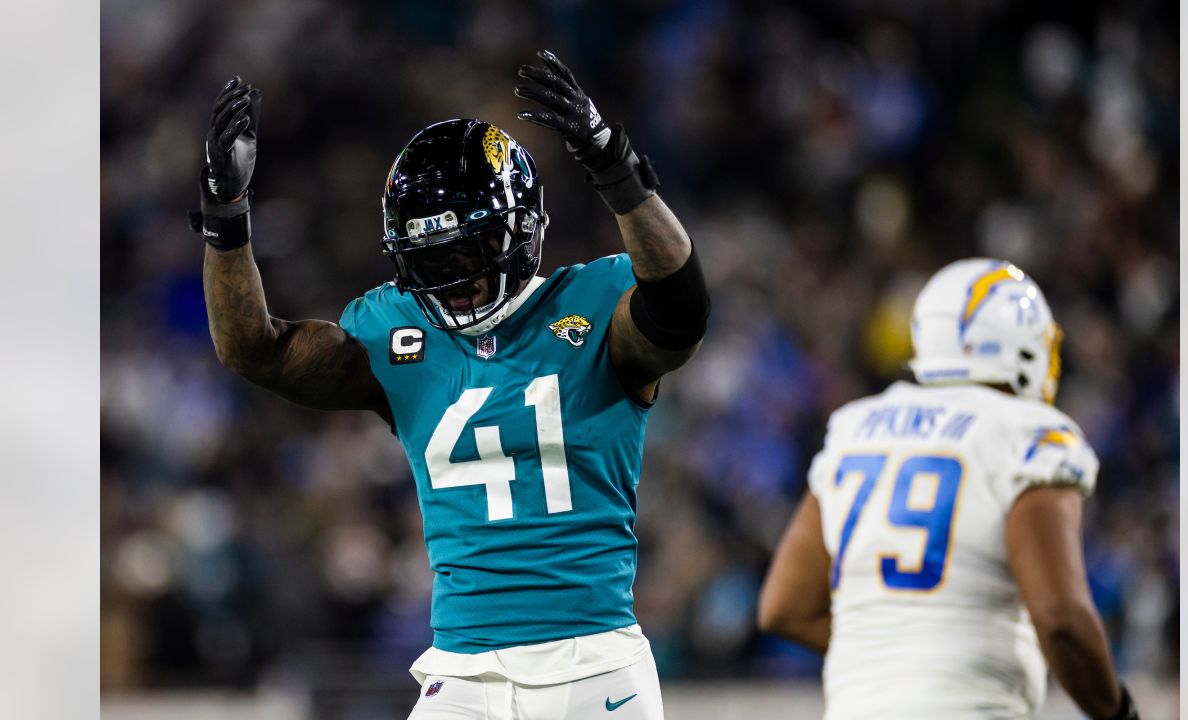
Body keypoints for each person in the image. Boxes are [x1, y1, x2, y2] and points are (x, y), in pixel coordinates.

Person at [190, 50, 708, 720]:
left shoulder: (595, 304)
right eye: (431, 258)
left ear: (518, 229)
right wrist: (225, 216)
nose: (451, 276)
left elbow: (680, 309)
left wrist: (616, 167)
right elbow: (251, 348)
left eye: (465, 252)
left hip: (592, 660)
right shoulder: (393, 332)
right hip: (459, 669)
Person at [757, 259, 1139, 720]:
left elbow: (785, 606)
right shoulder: (1029, 433)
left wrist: (896, 656)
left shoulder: (856, 426)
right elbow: (1060, 619)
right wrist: (1119, 712)